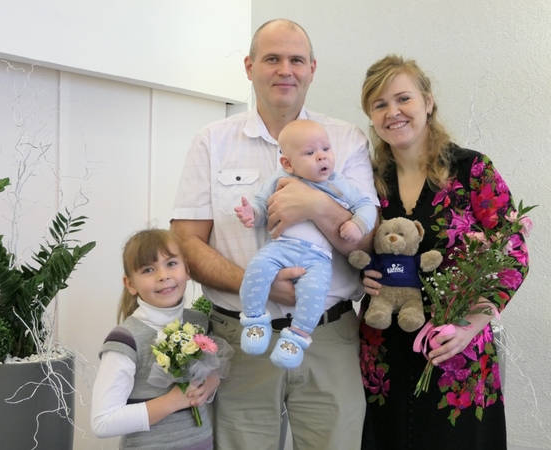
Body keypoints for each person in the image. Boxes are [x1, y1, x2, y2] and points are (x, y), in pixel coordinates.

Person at [171, 18, 379, 450]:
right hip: (241, 338)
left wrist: (315, 204)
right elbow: (186, 244)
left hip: (328, 336)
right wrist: (258, 283)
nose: (285, 70)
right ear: (250, 67)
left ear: (312, 69)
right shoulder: (212, 141)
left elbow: (365, 241)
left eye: (296, 60)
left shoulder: (346, 140)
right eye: (272, 59)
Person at [357, 55, 530, 450]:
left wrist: (470, 325)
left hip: (456, 348)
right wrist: (360, 277)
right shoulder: (366, 179)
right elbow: (349, 247)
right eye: (380, 104)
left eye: (403, 98)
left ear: (428, 101)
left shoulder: (472, 169)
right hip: (383, 352)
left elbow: (514, 254)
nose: (393, 112)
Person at [235, 119, 376, 370]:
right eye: (310, 153)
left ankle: (296, 338)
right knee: (257, 268)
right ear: (287, 163)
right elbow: (261, 205)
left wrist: (357, 224)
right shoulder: (280, 179)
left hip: (317, 257)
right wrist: (251, 214)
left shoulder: (337, 183)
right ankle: (254, 320)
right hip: (280, 247)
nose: (322, 157)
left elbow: (365, 205)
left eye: (326, 149)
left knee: (315, 293)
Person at [91, 229, 221, 450]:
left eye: (171, 264)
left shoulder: (200, 322)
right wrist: (172, 402)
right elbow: (102, 422)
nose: (163, 275)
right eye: (148, 270)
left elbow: (215, 370)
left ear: (187, 269)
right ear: (130, 284)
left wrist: (210, 384)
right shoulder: (125, 340)